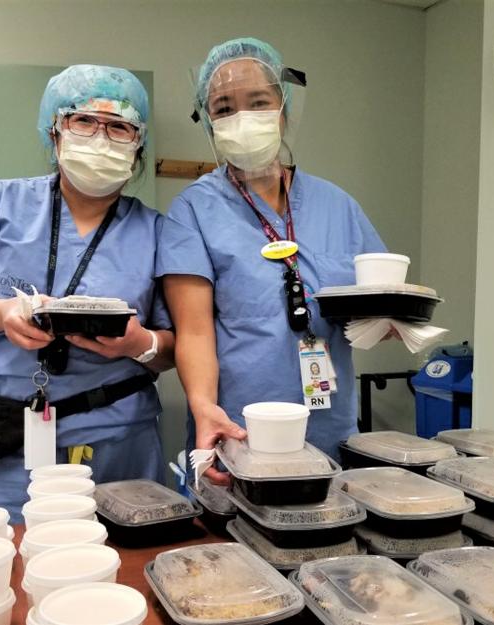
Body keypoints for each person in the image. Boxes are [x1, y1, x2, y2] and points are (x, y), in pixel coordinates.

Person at [0, 64, 174, 521]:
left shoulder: (158, 233)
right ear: (54, 133)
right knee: (11, 569)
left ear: (137, 147)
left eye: (120, 127)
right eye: (84, 121)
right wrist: (4, 313)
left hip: (119, 440)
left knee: (123, 572)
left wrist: (140, 344)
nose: (100, 138)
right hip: (9, 441)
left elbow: (176, 346)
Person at [157, 38, 387, 483]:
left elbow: (375, 304)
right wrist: (205, 409)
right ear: (208, 122)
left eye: (258, 102)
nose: (241, 118)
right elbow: (196, 330)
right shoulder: (194, 211)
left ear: (283, 109)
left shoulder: (337, 205)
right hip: (237, 431)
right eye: (224, 108)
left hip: (329, 428)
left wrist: (389, 324)